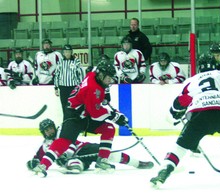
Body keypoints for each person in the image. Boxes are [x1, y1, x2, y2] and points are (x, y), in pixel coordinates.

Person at [150, 53, 220, 188]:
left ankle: (164, 171)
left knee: (180, 147)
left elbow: (180, 101)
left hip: (199, 116)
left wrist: (175, 113)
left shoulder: (191, 80)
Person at [32, 62, 129, 177]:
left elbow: (95, 97)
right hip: (75, 115)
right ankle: (43, 165)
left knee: (108, 128)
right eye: (109, 78)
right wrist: (115, 116)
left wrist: (105, 93)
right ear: (102, 75)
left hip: (85, 113)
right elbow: (96, 114)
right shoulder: (92, 89)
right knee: (64, 141)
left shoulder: (93, 75)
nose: (110, 81)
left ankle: (102, 161)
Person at [26, 118, 154, 174]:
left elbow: (71, 146)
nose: (50, 131)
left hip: (83, 149)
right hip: (75, 159)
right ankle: (77, 165)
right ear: (43, 133)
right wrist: (33, 163)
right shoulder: (44, 146)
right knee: (74, 165)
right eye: (46, 130)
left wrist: (65, 155)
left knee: (109, 155)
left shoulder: (62, 132)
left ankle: (138, 163)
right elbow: (37, 158)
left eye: (50, 128)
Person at [54, 44, 84, 119]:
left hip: (73, 87)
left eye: (69, 51)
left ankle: (74, 121)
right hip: (63, 87)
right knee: (64, 105)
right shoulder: (60, 61)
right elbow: (57, 74)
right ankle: (66, 122)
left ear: (71, 52)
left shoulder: (76, 61)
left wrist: (81, 86)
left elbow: (80, 74)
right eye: (65, 51)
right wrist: (56, 87)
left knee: (73, 105)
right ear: (63, 53)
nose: (67, 53)